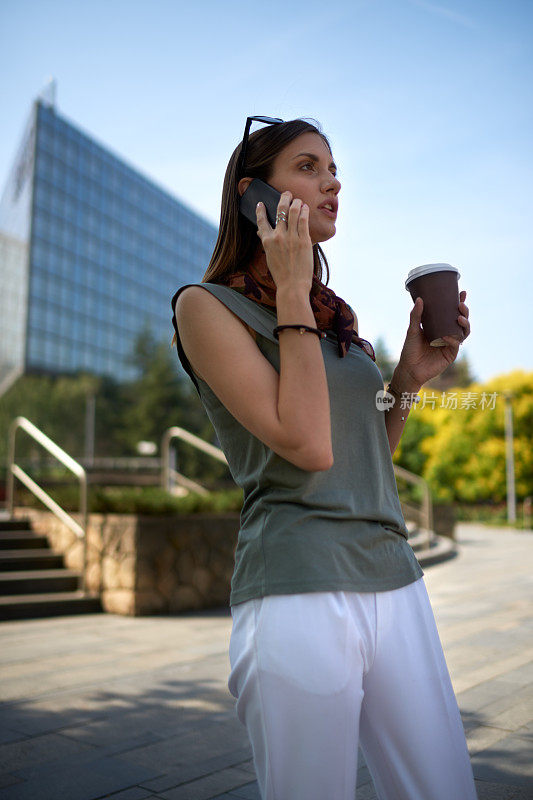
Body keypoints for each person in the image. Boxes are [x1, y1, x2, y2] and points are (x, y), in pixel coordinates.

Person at [171, 117, 477, 800]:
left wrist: (404, 381)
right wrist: (289, 292)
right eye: (307, 167)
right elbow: (306, 444)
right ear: (254, 197)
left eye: (333, 169)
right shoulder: (205, 307)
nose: (331, 181)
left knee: (443, 789)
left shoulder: (329, 318)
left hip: (393, 576)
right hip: (296, 585)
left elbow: (358, 452)